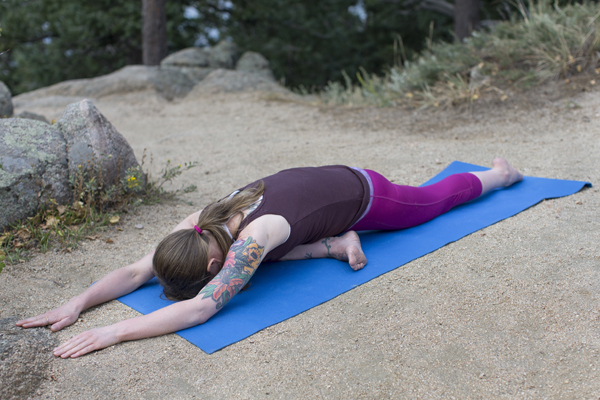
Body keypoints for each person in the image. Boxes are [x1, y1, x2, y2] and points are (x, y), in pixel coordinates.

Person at [17, 158, 523, 358]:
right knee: (259, 267)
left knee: (433, 201)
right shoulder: (196, 227)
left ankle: (501, 175)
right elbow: (134, 271)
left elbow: (201, 308)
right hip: (312, 199)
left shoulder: (254, 237)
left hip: (365, 192)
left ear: (214, 265)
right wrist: (79, 302)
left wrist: (114, 331)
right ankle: (335, 243)